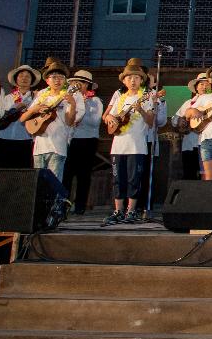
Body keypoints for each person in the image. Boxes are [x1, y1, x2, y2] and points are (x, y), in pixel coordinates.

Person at [102, 58, 158, 225]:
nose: (132, 81)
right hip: (118, 144)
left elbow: (150, 122)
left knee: (134, 179)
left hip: (137, 145)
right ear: (124, 80)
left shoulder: (149, 95)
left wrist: (140, 109)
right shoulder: (118, 95)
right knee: (117, 178)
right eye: (129, 78)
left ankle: (131, 210)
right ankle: (118, 210)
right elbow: (106, 116)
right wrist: (110, 117)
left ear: (142, 80)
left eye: (136, 78)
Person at [22, 57, 81, 183]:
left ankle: (54, 204)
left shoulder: (70, 95)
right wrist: (35, 109)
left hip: (57, 146)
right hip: (39, 146)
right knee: (38, 183)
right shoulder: (42, 94)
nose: (58, 80)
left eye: (61, 77)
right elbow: (23, 118)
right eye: (54, 76)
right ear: (47, 80)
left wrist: (73, 104)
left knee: (53, 183)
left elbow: (70, 122)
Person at [66, 70, 104, 213]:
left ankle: (80, 206)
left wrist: (79, 110)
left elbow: (94, 122)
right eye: (74, 82)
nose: (77, 85)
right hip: (70, 140)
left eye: (80, 83)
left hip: (87, 141)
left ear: (87, 85)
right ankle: (64, 204)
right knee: (67, 174)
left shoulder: (95, 101)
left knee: (83, 175)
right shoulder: (68, 99)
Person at [0, 63, 40, 168]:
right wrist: (14, 109)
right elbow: (0, 118)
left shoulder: (37, 98)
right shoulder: (7, 98)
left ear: (32, 81)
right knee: (2, 171)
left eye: (28, 76)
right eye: (21, 76)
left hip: (25, 140)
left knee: (22, 174)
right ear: (16, 80)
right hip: (4, 139)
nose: (24, 78)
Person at [173, 72, 210, 185]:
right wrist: (181, 122)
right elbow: (175, 119)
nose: (204, 87)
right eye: (201, 84)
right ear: (196, 87)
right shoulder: (189, 103)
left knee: (206, 174)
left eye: (206, 84)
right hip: (189, 143)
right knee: (189, 174)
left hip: (206, 143)